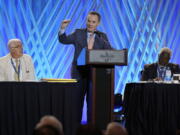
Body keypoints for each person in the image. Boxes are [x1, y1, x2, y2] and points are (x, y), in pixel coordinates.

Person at [58, 11, 112, 122]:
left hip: (96, 75)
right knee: (77, 103)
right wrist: (62, 29)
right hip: (79, 73)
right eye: (88, 21)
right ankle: (75, 129)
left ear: (98, 23)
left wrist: (99, 38)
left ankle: (91, 129)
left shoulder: (102, 36)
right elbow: (63, 40)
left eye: (93, 22)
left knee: (93, 104)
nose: (90, 24)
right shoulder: (78, 33)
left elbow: (110, 52)